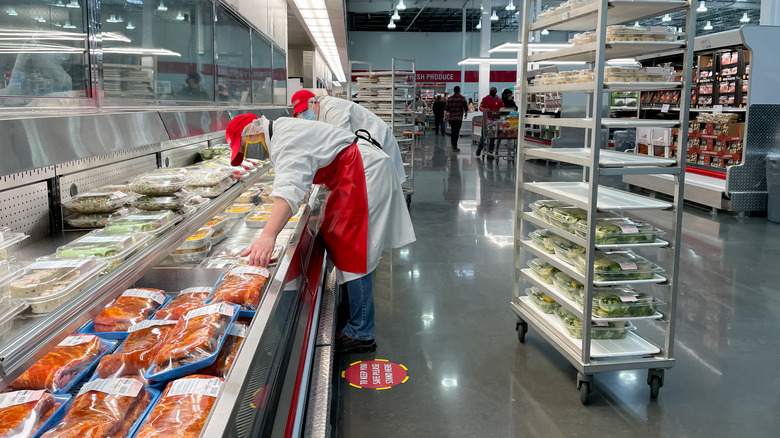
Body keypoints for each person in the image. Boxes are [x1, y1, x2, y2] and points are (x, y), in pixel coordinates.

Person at [226, 114, 416, 353]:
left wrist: (268, 235)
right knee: (344, 243)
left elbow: (288, 188)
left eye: (244, 147)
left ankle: (361, 333)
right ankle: (353, 312)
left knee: (353, 251)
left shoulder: (284, 139)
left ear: (251, 132)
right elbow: (304, 169)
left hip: (360, 172)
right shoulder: (283, 130)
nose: (249, 153)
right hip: (353, 172)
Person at [290, 89, 406, 185]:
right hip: (368, 151)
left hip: (379, 144)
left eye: (305, 109)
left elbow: (341, 141)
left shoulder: (332, 108)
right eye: (301, 113)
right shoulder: (321, 113)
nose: (304, 115)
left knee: (384, 189)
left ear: (315, 102)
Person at [476, 87, 504, 158]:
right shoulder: (485, 99)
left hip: (494, 121)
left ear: (496, 91)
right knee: (484, 136)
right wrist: (486, 110)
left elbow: (502, 108)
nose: (493, 92)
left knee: (492, 137)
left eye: (494, 91)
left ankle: (490, 152)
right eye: (492, 91)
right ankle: (479, 149)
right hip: (486, 121)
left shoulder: (499, 100)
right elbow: (480, 107)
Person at [444, 86, 468, 153]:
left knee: (453, 131)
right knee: (456, 132)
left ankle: (453, 145)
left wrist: (444, 117)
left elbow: (446, 108)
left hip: (451, 118)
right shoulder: (462, 98)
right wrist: (466, 113)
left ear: (453, 91)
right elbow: (466, 107)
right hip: (459, 118)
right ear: (459, 90)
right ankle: (455, 146)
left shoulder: (450, 99)